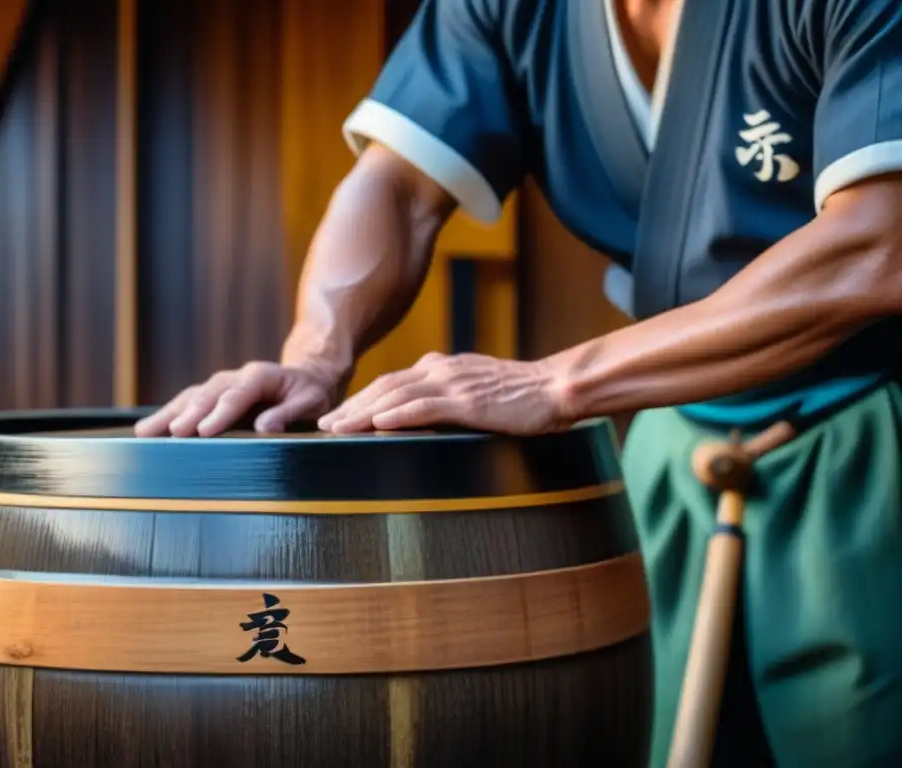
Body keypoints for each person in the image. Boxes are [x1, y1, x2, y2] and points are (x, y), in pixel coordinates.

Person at [135, 0, 902, 764]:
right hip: (670, 433)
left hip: (871, 428)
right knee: (654, 731)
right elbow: (399, 187)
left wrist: (560, 383)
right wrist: (314, 355)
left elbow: (876, 247)